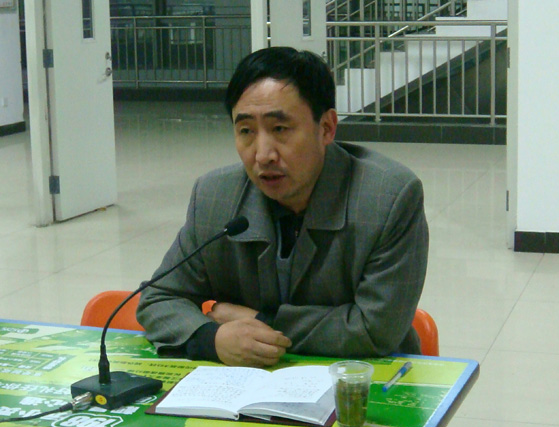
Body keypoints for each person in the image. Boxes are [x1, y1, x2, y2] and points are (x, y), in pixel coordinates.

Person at [137, 46, 429, 368]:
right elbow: (158, 298)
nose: (263, 155)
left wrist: (263, 322)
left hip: (368, 379)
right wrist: (211, 338)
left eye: (280, 129)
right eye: (246, 131)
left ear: (327, 127)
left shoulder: (388, 198)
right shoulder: (214, 197)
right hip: (249, 384)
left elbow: (376, 330)